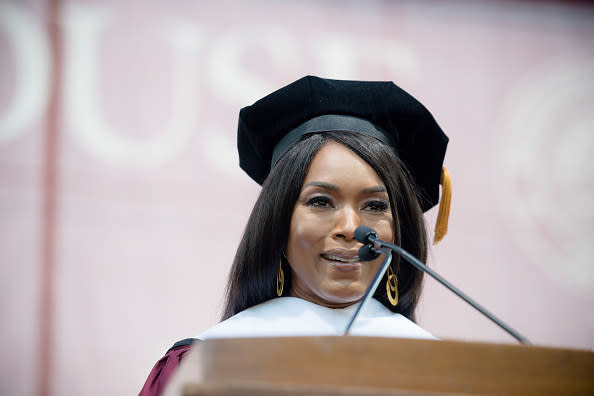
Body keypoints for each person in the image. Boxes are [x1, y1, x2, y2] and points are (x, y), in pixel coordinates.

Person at [139, 76, 450, 396]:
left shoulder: (449, 375)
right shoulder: (202, 369)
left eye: (374, 205)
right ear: (279, 222)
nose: (349, 226)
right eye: (320, 202)